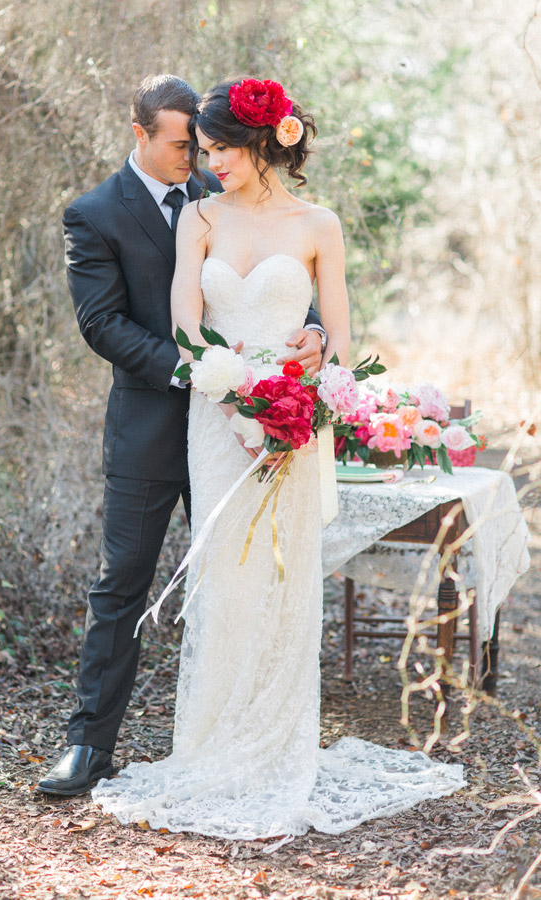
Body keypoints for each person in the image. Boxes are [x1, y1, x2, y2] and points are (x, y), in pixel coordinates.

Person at [91, 79, 465, 840]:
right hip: (215, 417)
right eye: (203, 149)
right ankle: (214, 743)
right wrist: (233, 397)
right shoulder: (198, 217)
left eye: (222, 148)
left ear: (264, 143)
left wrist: (312, 363)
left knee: (283, 577)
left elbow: (337, 338)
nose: (209, 161)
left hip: (296, 421)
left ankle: (276, 745)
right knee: (227, 576)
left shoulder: (318, 223)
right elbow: (186, 328)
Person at [36, 75, 325, 797]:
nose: (192, 158)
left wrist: (312, 333)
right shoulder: (94, 214)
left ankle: (245, 743)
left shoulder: (225, 192)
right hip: (154, 430)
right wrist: (213, 375)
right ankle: (87, 745)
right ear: (140, 134)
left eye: (199, 146)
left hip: (242, 436)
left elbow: (284, 278)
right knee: (121, 586)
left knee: (247, 580)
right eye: (178, 145)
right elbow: (103, 326)